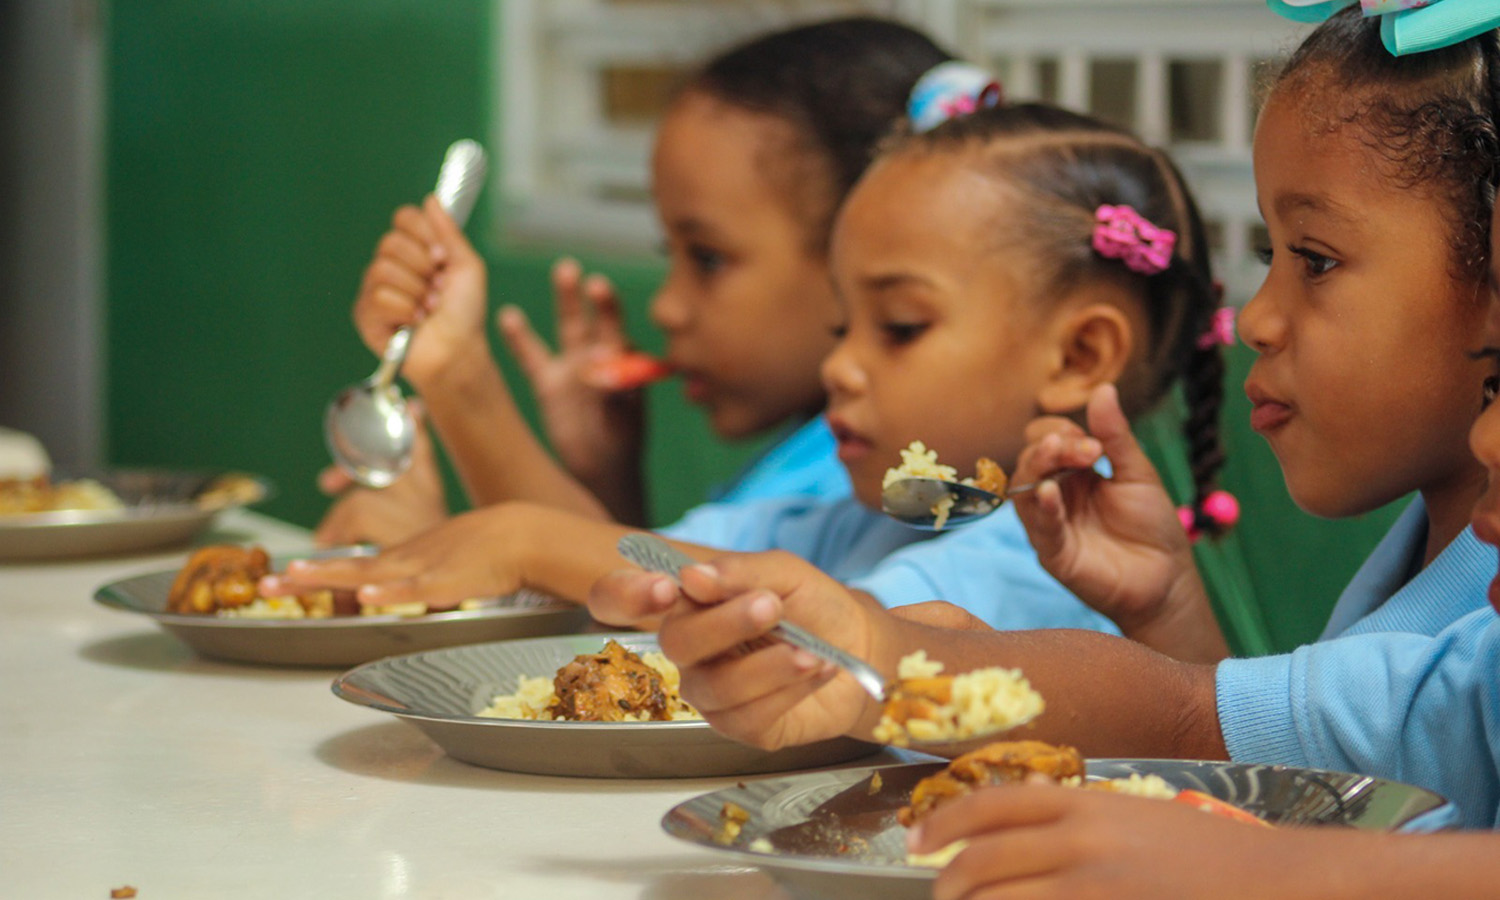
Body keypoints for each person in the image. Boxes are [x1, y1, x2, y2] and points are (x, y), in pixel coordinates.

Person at [582, 4, 1500, 831]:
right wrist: (1170, 611)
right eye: (1270, 254)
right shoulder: (1423, 557)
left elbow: (1210, 731)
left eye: (1317, 259)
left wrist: (883, 651)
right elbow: (1284, 771)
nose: (1256, 319)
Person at [263, 91, 1230, 636]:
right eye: (840, 328)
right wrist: (456, 386)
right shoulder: (845, 521)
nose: (841, 369)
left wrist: (525, 537)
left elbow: (835, 642)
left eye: (897, 327)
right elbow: (636, 569)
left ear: (1079, 355)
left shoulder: (1042, 565)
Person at [312, 17, 956, 546]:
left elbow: (641, 608)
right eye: (668, 254)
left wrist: (458, 383)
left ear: (856, 253)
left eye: (708, 259)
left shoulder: (872, 476)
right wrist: (608, 480)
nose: (668, 307)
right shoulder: (814, 456)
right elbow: (640, 589)